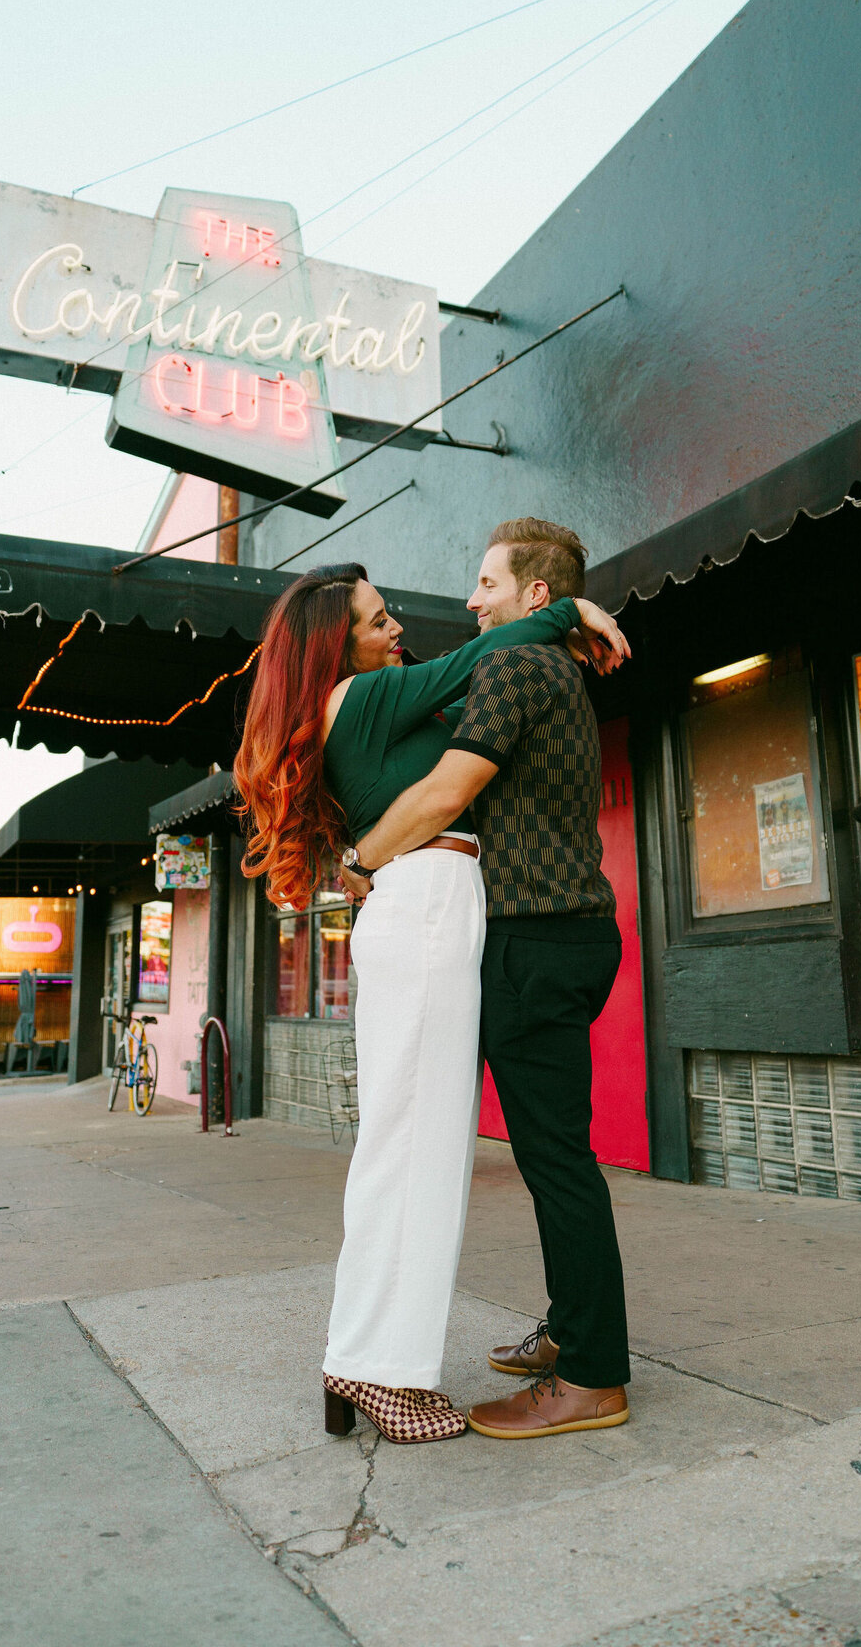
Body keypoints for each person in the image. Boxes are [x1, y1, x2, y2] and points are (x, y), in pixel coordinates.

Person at [233, 561, 628, 1445]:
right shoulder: (358, 697)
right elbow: (477, 660)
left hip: (427, 906)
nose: (396, 631)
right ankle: (381, 1373)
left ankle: (365, 1360)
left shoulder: (368, 702)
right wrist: (571, 607)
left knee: (414, 1148)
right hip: (425, 906)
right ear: (335, 647)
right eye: (377, 623)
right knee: (416, 1153)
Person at [350, 518, 632, 1439]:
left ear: (534, 596)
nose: (471, 601)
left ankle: (591, 1376)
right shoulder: (556, 667)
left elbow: (446, 792)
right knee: (558, 1154)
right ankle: (572, 1330)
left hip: (533, 939)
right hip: (567, 933)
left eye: (486, 584)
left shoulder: (513, 666)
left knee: (556, 1161)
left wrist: (360, 862)